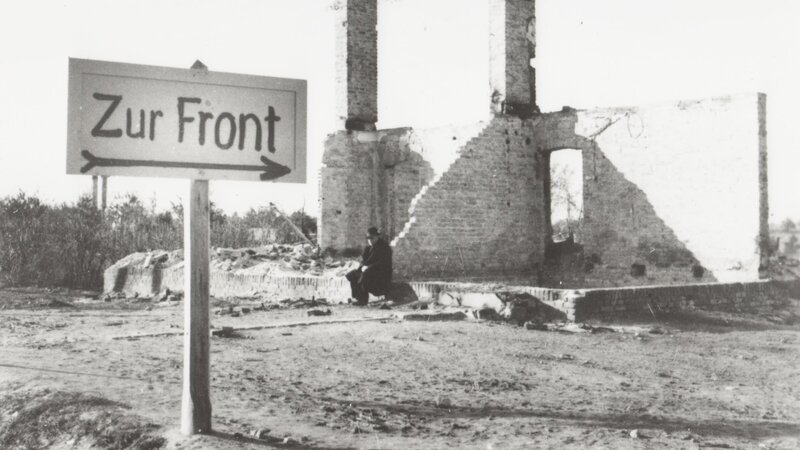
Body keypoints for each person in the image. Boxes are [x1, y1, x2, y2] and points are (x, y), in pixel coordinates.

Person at [345, 227, 392, 305]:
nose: (369, 240)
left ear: (377, 237)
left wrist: (369, 267)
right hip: (370, 271)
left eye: (371, 238)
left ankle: (363, 300)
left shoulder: (384, 247)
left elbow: (383, 262)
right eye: (368, 238)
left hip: (381, 273)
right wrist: (362, 266)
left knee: (365, 275)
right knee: (353, 274)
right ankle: (357, 297)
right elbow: (364, 260)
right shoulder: (368, 248)